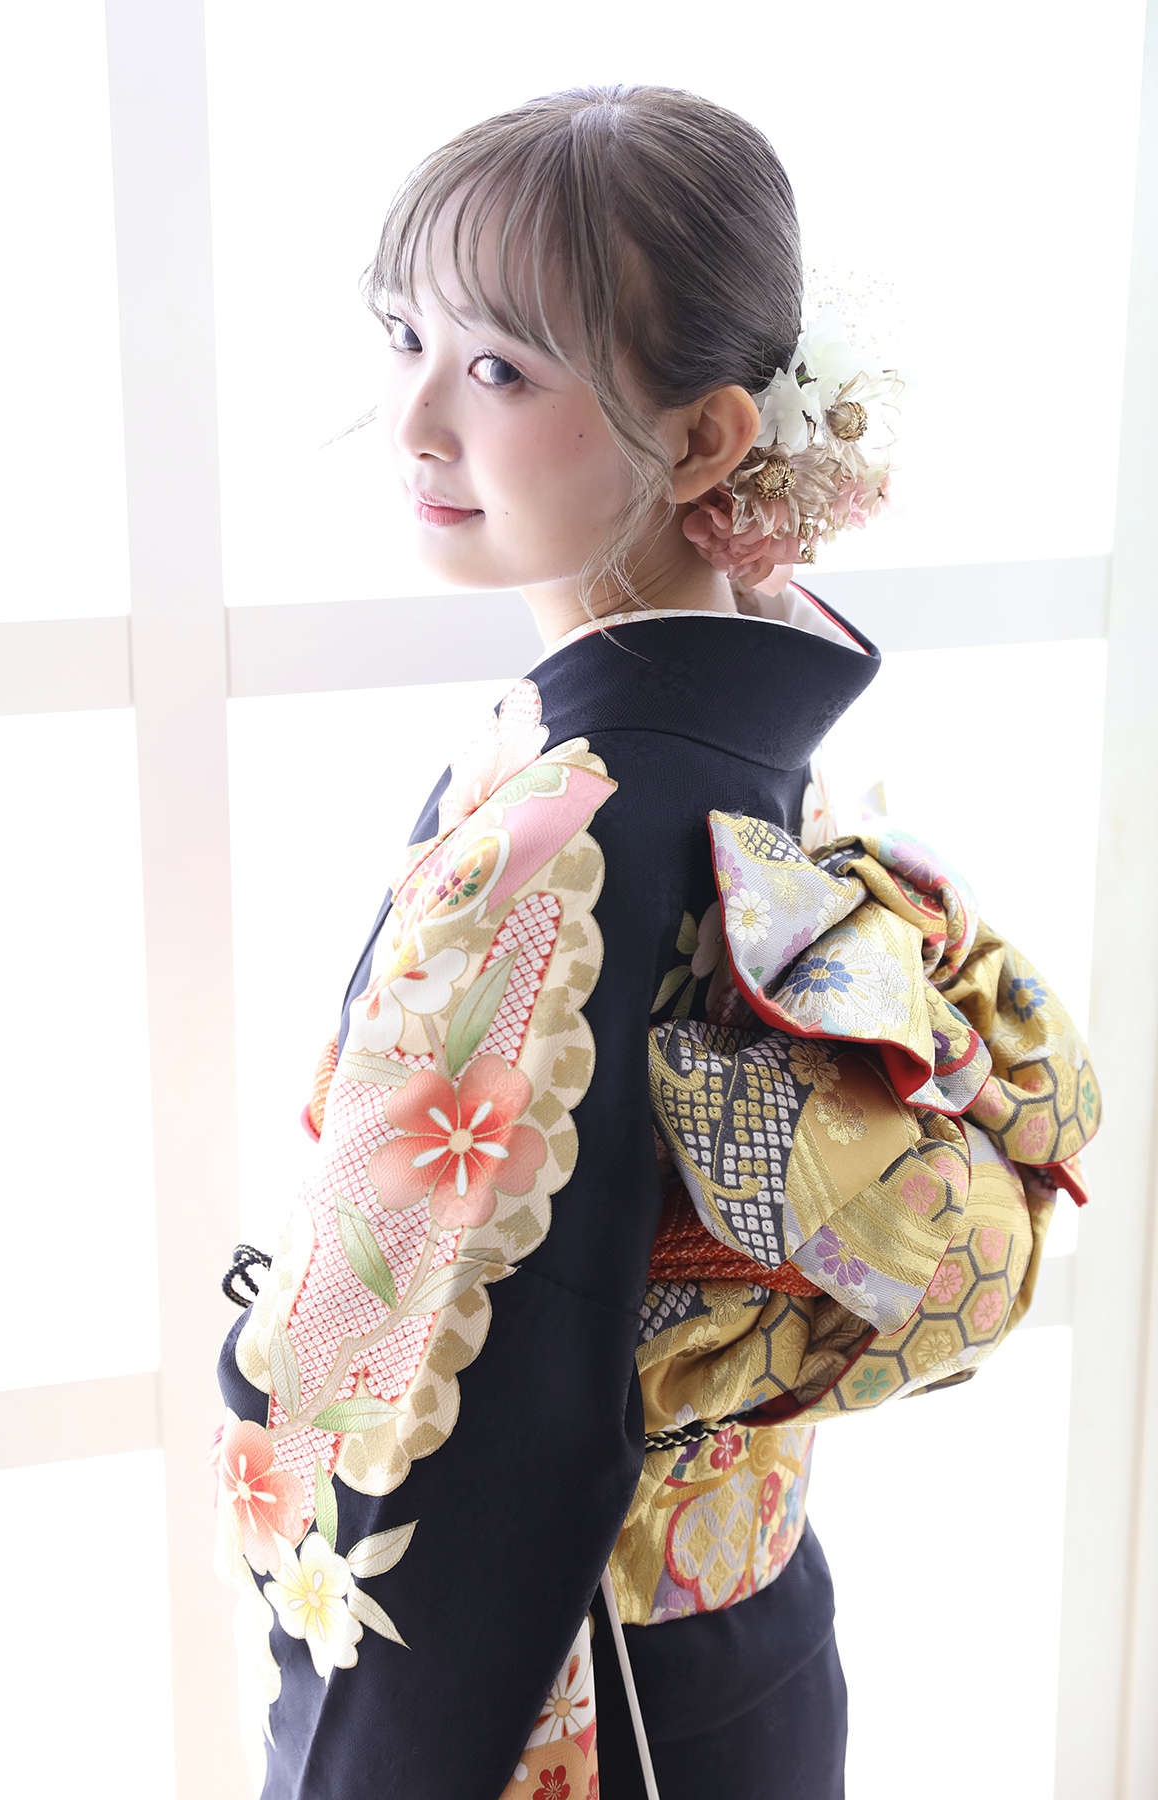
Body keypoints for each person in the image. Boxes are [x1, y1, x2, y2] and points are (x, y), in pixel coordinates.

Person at [214, 86, 1099, 1800]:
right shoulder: (732, 728)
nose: (414, 420)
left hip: (575, 1679)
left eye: (499, 369)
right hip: (740, 1650)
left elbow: (452, 1392)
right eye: (405, 336)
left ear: (702, 443)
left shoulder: (569, 828)